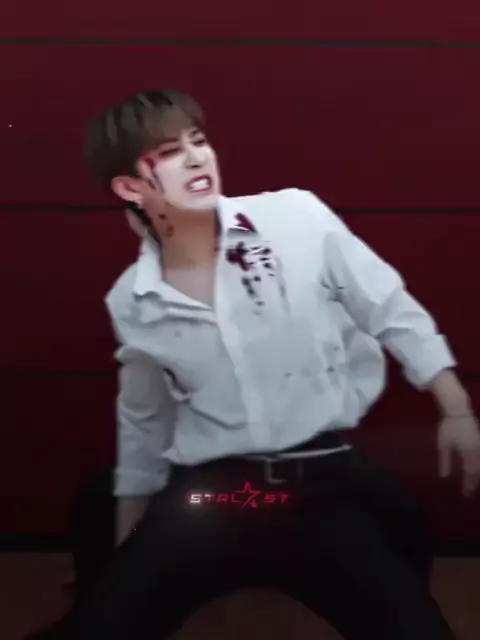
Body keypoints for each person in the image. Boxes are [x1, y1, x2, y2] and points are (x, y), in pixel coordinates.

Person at [30, 88, 480, 639]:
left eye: (198, 140)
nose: (196, 157)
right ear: (129, 187)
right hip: (211, 494)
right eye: (169, 152)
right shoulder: (135, 299)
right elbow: (143, 429)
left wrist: (455, 406)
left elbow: (388, 307)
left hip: (318, 485)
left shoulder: (295, 217)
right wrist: (124, 567)